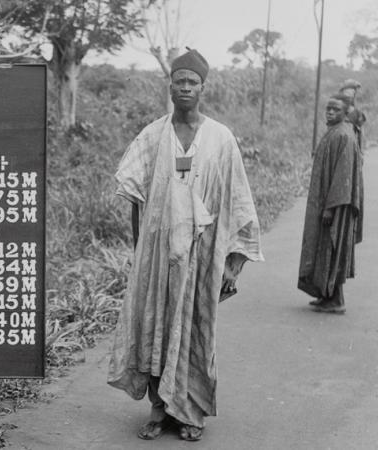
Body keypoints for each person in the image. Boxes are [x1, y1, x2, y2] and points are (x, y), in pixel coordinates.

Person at [107, 48, 263, 442]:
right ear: (171, 87)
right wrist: (140, 247)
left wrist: (234, 262)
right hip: (158, 255)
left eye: (193, 83)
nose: (186, 88)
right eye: (180, 82)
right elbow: (135, 195)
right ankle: (160, 409)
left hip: (202, 255)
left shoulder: (221, 140)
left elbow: (239, 201)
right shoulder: (153, 135)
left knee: (196, 330)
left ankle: (192, 412)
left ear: (203, 88)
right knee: (155, 326)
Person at [298, 94, 363, 314]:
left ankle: (336, 300)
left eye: (336, 110)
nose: (330, 112)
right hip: (326, 201)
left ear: (345, 113)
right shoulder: (335, 132)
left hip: (335, 205)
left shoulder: (344, 135)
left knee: (331, 249)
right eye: (328, 109)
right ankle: (327, 295)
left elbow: (343, 177)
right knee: (324, 248)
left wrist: (330, 208)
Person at [338, 79, 367, 149]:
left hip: (351, 147)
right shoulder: (336, 110)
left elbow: (361, 133)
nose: (349, 96)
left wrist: (360, 150)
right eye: (347, 93)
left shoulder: (357, 113)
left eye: (352, 93)